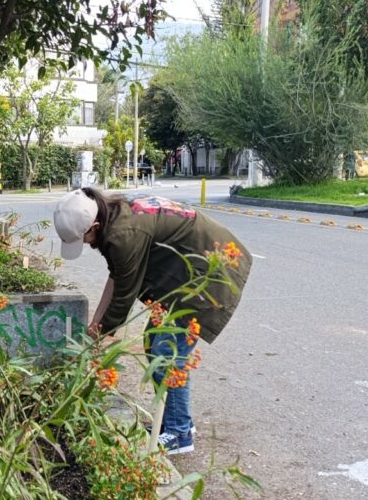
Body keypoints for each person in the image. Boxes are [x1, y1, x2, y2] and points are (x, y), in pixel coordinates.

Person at [55, 188, 252, 458]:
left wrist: (102, 334)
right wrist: (95, 323)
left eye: (85, 238)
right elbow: (116, 276)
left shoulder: (122, 235)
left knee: (167, 353)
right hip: (186, 273)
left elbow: (124, 295)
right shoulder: (114, 215)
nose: (88, 244)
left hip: (209, 273)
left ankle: (179, 433)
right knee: (153, 345)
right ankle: (175, 420)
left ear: (95, 225)